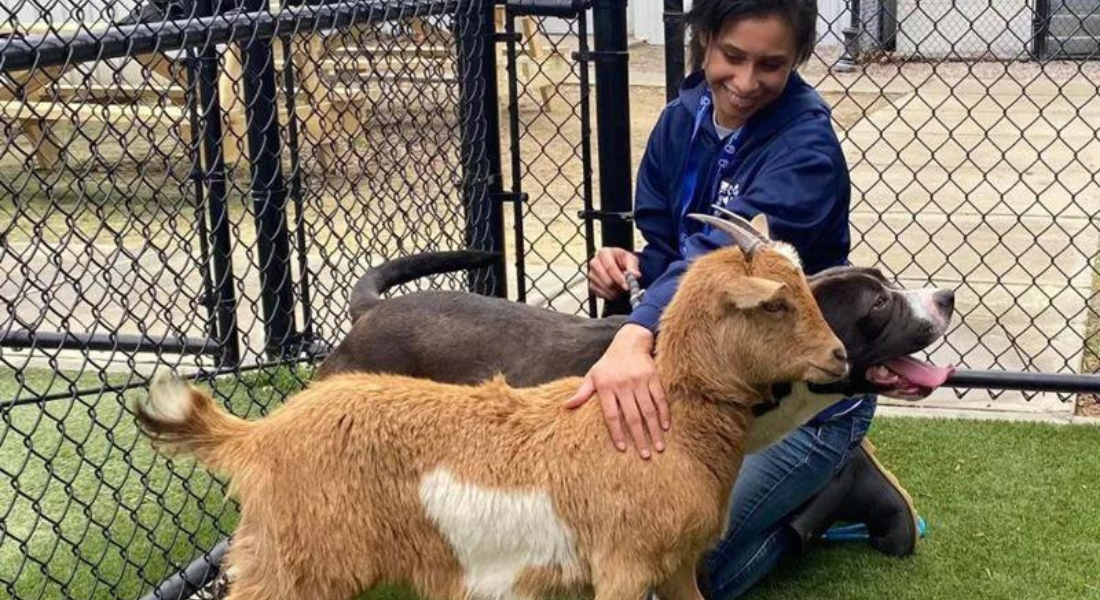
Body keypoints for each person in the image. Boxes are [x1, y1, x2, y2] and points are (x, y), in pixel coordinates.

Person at [564, 0, 920, 597]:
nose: (746, 82)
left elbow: (713, 260)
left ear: (798, 61)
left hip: (801, 401)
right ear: (704, 40)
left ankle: (837, 486)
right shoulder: (684, 116)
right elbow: (666, 243)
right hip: (713, 388)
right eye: (732, 57)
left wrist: (633, 332)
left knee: (681, 572)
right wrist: (629, 268)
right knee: (620, 545)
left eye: (771, 65)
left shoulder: (807, 150)